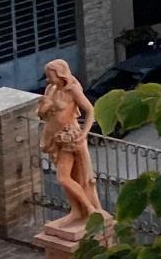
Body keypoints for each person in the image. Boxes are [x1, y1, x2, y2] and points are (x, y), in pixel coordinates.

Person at [38, 59, 107, 231]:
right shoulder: (50, 89)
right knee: (70, 178)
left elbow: (90, 111)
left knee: (64, 177)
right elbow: (41, 114)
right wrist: (45, 106)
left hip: (70, 138)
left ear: (61, 74)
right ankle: (76, 211)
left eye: (50, 76)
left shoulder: (72, 90)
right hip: (54, 138)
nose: (48, 79)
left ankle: (90, 209)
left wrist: (84, 133)